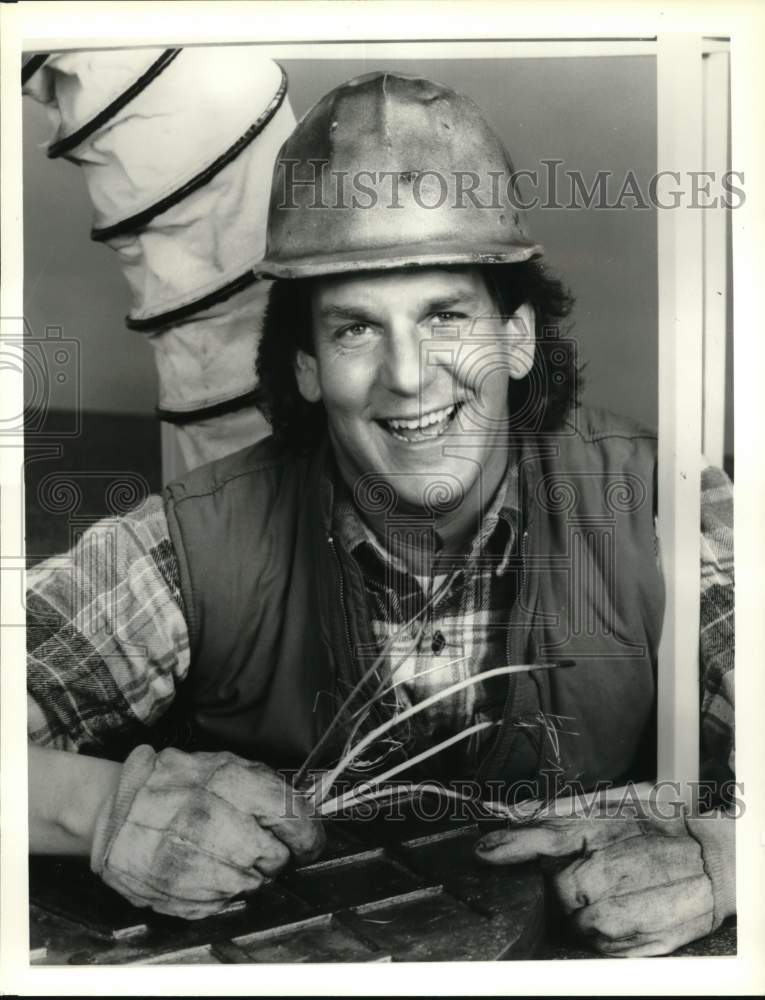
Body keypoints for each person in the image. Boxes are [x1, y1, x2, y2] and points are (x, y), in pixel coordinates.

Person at [27, 72, 735, 954]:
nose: (408, 375)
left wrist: (728, 850)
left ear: (516, 339)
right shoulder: (193, 542)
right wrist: (97, 809)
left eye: (445, 317)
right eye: (356, 328)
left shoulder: (656, 506)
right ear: (308, 367)